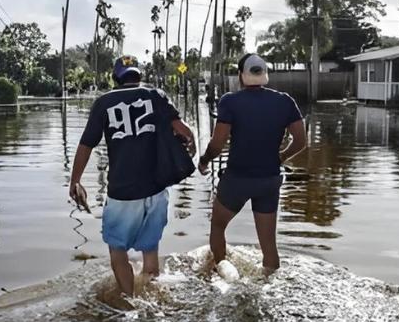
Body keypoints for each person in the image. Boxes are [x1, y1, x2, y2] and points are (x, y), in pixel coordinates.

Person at [70, 55, 197, 296]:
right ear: (139, 75)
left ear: (115, 78)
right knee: (150, 250)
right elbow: (185, 132)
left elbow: (86, 145)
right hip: (157, 188)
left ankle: (129, 304)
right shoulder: (155, 95)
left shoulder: (103, 103)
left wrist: (75, 180)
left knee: (118, 251)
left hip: (123, 191)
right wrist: (191, 148)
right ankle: (152, 298)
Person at [197, 53, 308, 275]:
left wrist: (204, 160)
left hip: (237, 179)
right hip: (269, 180)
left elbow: (217, 144)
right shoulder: (285, 101)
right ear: (265, 74)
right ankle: (269, 280)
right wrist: (281, 157)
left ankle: (222, 275)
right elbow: (301, 141)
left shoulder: (230, 101)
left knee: (218, 226)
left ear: (241, 76)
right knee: (269, 246)